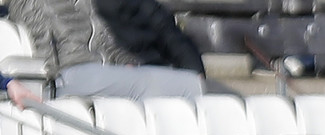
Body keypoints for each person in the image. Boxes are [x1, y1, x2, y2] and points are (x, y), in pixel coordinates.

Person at [6, 0, 204, 97]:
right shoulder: (28, 2)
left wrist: (125, 62)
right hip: (69, 71)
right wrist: (53, 75)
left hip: (103, 69)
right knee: (146, 83)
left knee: (185, 84)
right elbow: (44, 45)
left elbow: (105, 38)